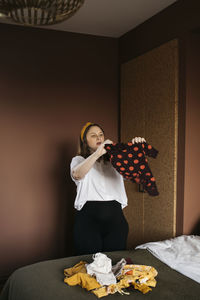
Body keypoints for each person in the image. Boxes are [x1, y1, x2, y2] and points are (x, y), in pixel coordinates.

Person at [70, 122, 145, 255]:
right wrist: (97, 154)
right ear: (85, 142)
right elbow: (77, 174)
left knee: (114, 264)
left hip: (116, 222)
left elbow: (138, 175)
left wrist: (139, 153)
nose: (99, 138)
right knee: (90, 266)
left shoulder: (116, 161)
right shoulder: (78, 160)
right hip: (88, 223)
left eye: (101, 135)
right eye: (93, 135)